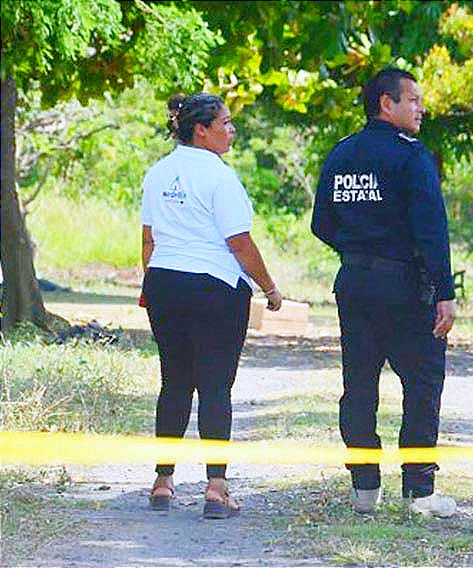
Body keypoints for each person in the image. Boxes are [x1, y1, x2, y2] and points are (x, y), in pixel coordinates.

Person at [311, 68, 457, 518]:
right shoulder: (412, 158)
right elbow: (432, 230)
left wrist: (359, 248)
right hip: (405, 287)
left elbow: (321, 224)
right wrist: (445, 292)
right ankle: (419, 492)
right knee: (422, 383)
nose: (421, 108)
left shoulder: (340, 154)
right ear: (386, 104)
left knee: (358, 385)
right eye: (412, 100)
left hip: (354, 283)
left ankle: (364, 488)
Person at [141, 93, 282, 519]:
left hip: (165, 282)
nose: (231, 130)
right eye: (226, 122)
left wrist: (151, 280)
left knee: (175, 382)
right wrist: (270, 288)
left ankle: (163, 482)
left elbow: (148, 238)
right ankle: (217, 488)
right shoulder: (221, 178)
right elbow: (239, 242)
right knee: (216, 385)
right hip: (213, 288)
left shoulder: (158, 172)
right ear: (201, 130)